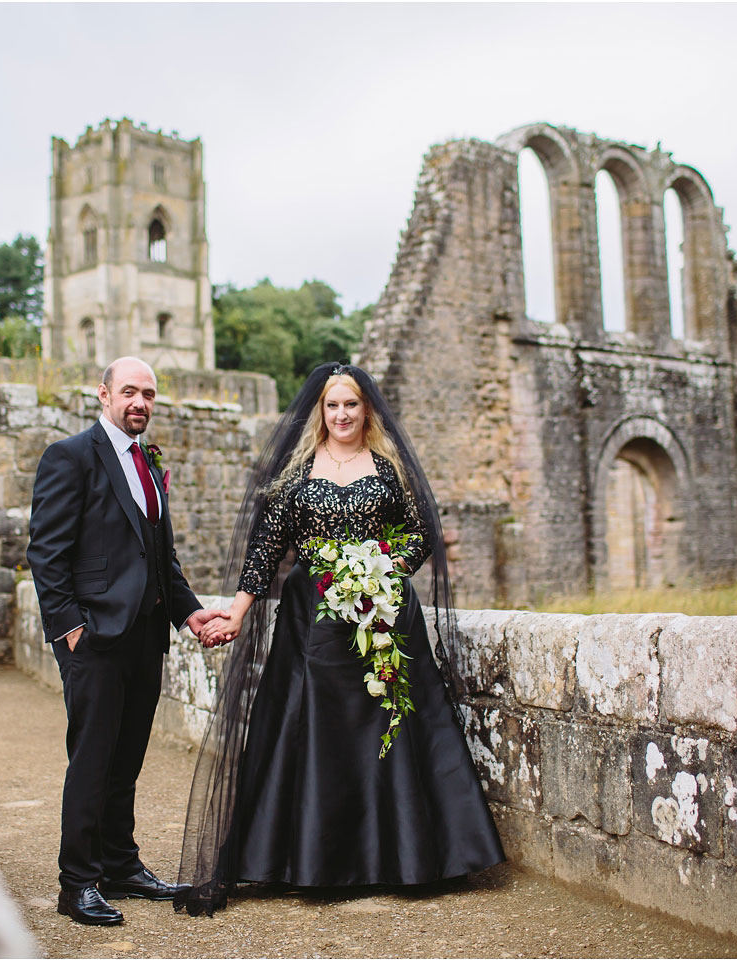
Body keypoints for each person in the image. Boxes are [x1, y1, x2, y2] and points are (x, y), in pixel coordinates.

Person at [176, 362, 504, 916]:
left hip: (384, 615)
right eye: (333, 406)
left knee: (389, 724)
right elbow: (265, 550)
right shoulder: (298, 475)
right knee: (315, 727)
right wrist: (236, 614)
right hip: (313, 622)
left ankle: (402, 859)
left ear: (366, 409)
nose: (342, 414)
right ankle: (311, 860)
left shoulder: (388, 469)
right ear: (320, 412)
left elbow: (423, 531)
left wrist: (382, 569)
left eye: (351, 404)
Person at [28, 356, 227, 926]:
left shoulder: (147, 462)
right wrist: (70, 630)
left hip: (145, 637)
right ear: (104, 394)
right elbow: (46, 552)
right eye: (130, 392)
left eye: (149, 395)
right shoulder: (70, 456)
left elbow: (159, 556)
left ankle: (120, 864)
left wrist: (189, 614)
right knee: (92, 759)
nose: (139, 403)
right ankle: (78, 883)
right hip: (93, 638)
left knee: (127, 758)